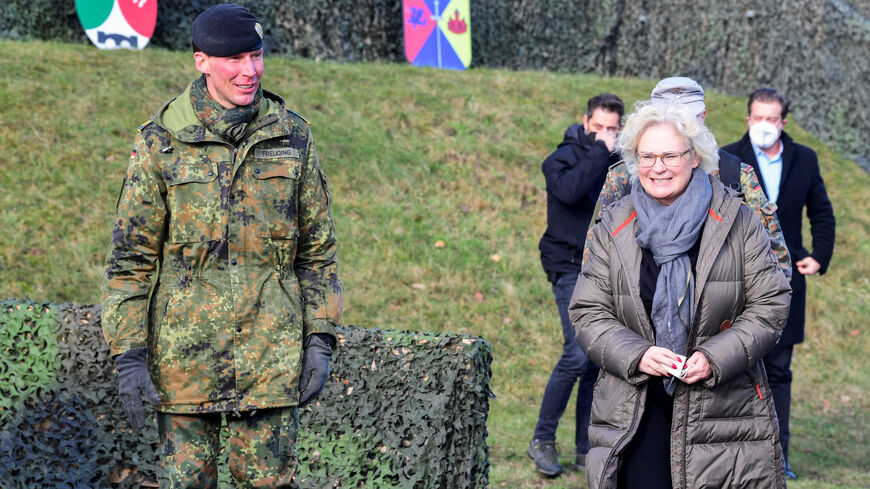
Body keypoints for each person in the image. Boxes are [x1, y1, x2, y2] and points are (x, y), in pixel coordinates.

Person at [100, 4, 343, 487]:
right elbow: (130, 261)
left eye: (255, 55)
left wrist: (321, 336)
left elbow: (318, 254)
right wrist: (129, 354)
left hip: (270, 361)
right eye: (233, 59)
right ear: (201, 61)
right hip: (184, 363)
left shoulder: (292, 136)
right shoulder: (161, 142)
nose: (249, 71)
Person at [569, 101, 792, 489]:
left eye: (670, 155)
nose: (658, 167)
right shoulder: (614, 224)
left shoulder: (739, 220)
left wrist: (713, 357)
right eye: (647, 156)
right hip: (634, 411)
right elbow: (588, 312)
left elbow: (770, 305)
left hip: (722, 413)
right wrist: (637, 354)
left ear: (695, 156)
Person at [722, 87, 836, 479]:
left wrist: (819, 256)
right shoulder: (727, 158)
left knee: (780, 371)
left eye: (772, 119)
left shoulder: (804, 159)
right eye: (758, 118)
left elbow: (821, 211)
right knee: (736, 366)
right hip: (735, 280)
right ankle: (735, 453)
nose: (765, 126)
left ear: (783, 122)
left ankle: (778, 456)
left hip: (786, 282)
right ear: (748, 118)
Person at [585, 77, 792, 280]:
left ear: (703, 116)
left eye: (688, 119)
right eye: (671, 119)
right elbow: (594, 259)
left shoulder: (735, 174)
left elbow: (775, 262)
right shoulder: (625, 176)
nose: (681, 127)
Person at [529, 93, 624, 477]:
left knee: (594, 360)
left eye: (613, 129)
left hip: (603, 268)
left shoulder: (620, 163)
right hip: (567, 264)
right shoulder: (562, 158)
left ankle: (586, 448)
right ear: (585, 122)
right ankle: (542, 439)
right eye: (599, 127)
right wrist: (601, 151)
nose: (606, 135)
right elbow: (568, 191)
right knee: (577, 354)